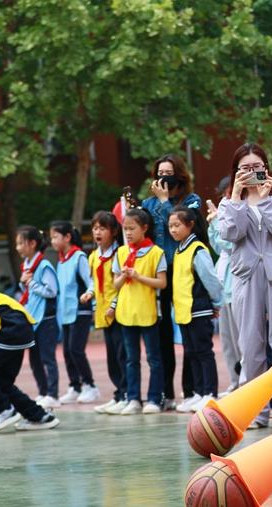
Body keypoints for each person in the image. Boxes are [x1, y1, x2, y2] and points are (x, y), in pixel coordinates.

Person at [216, 143, 272, 428]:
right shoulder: (228, 202)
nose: (251, 172)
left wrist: (266, 200)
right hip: (245, 277)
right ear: (235, 172)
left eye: (257, 167)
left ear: (266, 168)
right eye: (245, 168)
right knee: (250, 345)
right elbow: (230, 233)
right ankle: (255, 411)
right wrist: (236, 197)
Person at [141, 154, 201, 410]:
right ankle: (165, 392)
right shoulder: (147, 203)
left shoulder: (191, 200)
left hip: (184, 270)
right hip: (159, 274)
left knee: (188, 332)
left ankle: (192, 390)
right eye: (160, 173)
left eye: (169, 172)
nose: (164, 177)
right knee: (161, 335)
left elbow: (186, 229)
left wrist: (166, 203)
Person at [112, 208, 167, 415]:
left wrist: (138, 276)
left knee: (154, 358)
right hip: (126, 313)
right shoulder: (121, 252)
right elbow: (115, 285)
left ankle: (154, 398)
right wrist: (123, 276)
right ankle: (133, 398)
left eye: (132, 228)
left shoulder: (156, 253)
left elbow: (162, 283)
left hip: (147, 312)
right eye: (125, 228)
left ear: (144, 228)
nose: (127, 233)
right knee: (131, 359)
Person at [169, 206, 224, 412]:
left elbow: (210, 279)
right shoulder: (179, 250)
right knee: (191, 353)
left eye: (177, 225)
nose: (173, 230)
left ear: (190, 225)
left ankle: (210, 393)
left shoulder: (198, 249)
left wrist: (216, 303)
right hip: (184, 312)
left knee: (203, 352)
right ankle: (198, 393)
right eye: (170, 226)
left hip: (198, 309)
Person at [0, 289, 61, 432]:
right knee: (1, 382)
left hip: (10, 328)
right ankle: (39, 417)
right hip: (17, 329)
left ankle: (3, 409)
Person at [82, 212, 128, 414]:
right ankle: (119, 393)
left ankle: (127, 394)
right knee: (111, 357)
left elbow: (121, 285)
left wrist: (114, 305)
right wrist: (89, 294)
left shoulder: (120, 254)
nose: (97, 232)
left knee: (122, 355)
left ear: (114, 231)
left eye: (102, 228)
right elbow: (94, 282)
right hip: (103, 312)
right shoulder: (93, 256)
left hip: (118, 312)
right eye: (95, 228)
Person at [49, 221, 99, 404]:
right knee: (67, 352)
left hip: (80, 311)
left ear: (67, 237)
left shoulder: (79, 257)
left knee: (76, 350)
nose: (52, 241)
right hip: (65, 313)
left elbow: (91, 281)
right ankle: (75, 386)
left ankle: (90, 386)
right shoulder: (61, 260)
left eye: (55, 237)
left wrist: (89, 295)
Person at [14, 226, 59, 408]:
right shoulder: (26, 265)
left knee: (48, 358)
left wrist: (31, 282)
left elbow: (52, 291)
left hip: (45, 319)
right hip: (32, 319)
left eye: (20, 243)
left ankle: (53, 394)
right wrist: (24, 282)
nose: (17, 247)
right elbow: (28, 291)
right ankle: (43, 392)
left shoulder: (43, 265)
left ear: (32, 243)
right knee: (34, 359)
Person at [207, 178, 243, 396]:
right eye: (225, 194)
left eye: (230, 193)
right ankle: (235, 380)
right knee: (227, 340)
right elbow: (217, 245)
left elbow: (229, 244)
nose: (226, 197)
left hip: (237, 285)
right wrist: (214, 223)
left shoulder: (240, 213)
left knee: (241, 340)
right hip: (224, 286)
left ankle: (245, 380)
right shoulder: (223, 212)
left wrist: (217, 223)